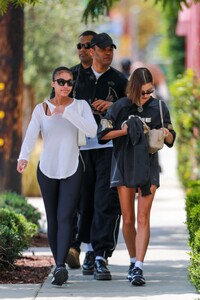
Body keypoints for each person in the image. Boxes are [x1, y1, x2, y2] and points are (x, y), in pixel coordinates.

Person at [17, 66, 97, 286]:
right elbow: (31, 135)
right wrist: (23, 157)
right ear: (53, 83)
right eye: (61, 82)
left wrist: (68, 113)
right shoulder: (41, 109)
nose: (65, 86)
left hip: (72, 168)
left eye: (69, 82)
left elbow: (92, 131)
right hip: (47, 170)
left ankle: (60, 267)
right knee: (52, 219)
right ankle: (58, 263)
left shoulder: (80, 106)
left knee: (65, 217)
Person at [97, 67, 176, 286]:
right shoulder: (120, 106)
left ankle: (139, 267)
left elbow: (170, 139)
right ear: (132, 89)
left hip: (148, 167)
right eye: (142, 92)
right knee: (128, 218)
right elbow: (102, 135)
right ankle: (132, 261)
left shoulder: (159, 106)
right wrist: (125, 130)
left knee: (143, 218)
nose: (146, 96)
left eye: (150, 91)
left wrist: (168, 134)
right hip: (123, 165)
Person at [72, 32, 128, 280]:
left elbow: (134, 103)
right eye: (103, 49)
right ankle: (88, 251)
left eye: (111, 49)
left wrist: (113, 106)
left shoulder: (119, 79)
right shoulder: (74, 77)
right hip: (80, 149)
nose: (108, 53)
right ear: (92, 51)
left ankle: (101, 256)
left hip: (108, 148)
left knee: (106, 201)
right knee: (85, 203)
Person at [65, 30, 97, 270]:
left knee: (94, 201)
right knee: (75, 200)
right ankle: (73, 247)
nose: (82, 49)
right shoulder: (70, 76)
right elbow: (52, 105)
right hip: (73, 148)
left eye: (87, 45)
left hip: (101, 149)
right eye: (80, 45)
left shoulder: (108, 77)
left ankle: (92, 251)